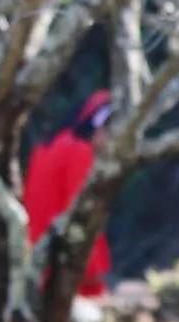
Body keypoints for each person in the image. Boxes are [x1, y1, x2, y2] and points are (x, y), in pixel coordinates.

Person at [21, 90, 116, 305]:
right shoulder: (79, 152)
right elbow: (82, 214)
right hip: (64, 268)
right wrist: (96, 271)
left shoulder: (48, 147)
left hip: (37, 259)